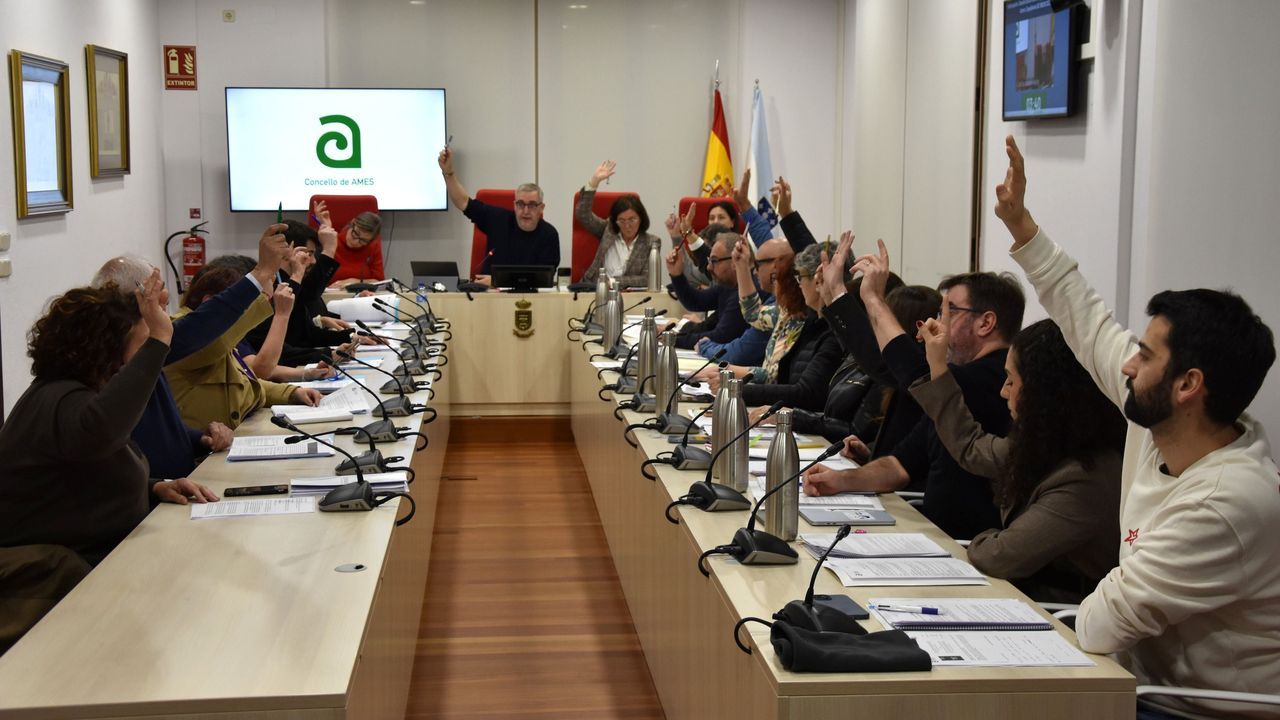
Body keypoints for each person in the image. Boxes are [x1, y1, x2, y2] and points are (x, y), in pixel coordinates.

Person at [996, 135, 1280, 719]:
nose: (1128, 363)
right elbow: (1088, 321)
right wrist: (1024, 229)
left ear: (1188, 385)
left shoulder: (1228, 501)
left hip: (1197, 711)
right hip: (1138, 684)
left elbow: (1104, 622)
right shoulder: (1161, 425)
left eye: (1146, 356)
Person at [907, 283, 1126, 603]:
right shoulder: (1050, 445)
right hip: (1024, 597)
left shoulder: (1086, 475)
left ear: (1044, 394)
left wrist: (982, 538)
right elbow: (971, 448)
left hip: (1057, 614)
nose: (1003, 391)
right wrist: (938, 365)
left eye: (1011, 380)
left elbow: (999, 555)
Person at [806, 232, 1025, 540]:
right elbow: (901, 463)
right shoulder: (959, 380)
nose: (937, 321)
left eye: (950, 311)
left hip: (964, 549)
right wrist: (841, 480)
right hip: (929, 537)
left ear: (985, 323)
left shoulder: (987, 379)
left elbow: (894, 366)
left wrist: (867, 299)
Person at [0, 271, 217, 568]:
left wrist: (153, 487)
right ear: (105, 350)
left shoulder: (71, 394)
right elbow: (102, 432)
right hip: (57, 577)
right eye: (140, 347)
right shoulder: (59, 400)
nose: (146, 360)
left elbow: (82, 481)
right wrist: (159, 340)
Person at [89, 224, 291, 480]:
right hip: (152, 499)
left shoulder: (148, 349)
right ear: (134, 305)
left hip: (176, 483)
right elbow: (200, 329)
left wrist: (201, 437)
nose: (166, 313)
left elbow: (163, 430)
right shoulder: (122, 359)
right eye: (160, 303)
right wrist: (260, 273)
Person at [167, 257, 323, 429]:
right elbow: (261, 369)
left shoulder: (219, 332)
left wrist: (291, 392)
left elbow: (245, 381)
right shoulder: (185, 334)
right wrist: (280, 313)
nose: (248, 315)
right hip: (203, 449)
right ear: (210, 302)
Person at [438, 146, 559, 285]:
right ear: (514, 205)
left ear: (541, 208)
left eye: (531, 205)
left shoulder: (549, 235)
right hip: (489, 297)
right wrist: (448, 172)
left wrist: (497, 281)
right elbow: (463, 202)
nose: (525, 211)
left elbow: (542, 279)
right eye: (520, 204)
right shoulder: (498, 220)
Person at [576, 160, 663, 288]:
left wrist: (612, 282)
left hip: (629, 296)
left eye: (632, 220)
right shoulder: (608, 230)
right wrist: (594, 182)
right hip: (595, 289)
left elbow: (647, 279)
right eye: (622, 220)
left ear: (641, 218)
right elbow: (583, 214)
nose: (627, 225)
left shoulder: (652, 242)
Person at [664, 232, 753, 350]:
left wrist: (672, 339)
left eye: (714, 261)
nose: (709, 267)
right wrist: (677, 275)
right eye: (709, 260)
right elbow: (696, 301)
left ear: (735, 260)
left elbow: (720, 336)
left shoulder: (746, 293)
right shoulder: (728, 286)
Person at [328, 211, 385, 286]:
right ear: (352, 223)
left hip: (362, 295)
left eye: (363, 240)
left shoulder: (372, 246)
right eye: (355, 234)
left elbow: (379, 281)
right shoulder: (331, 241)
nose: (355, 242)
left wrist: (355, 282)